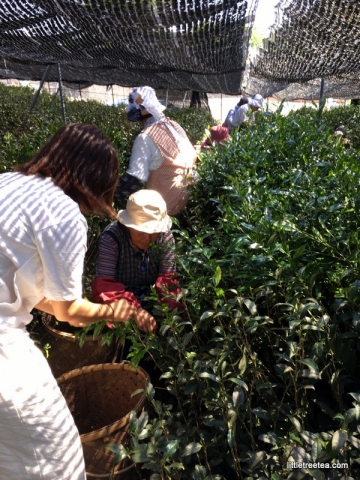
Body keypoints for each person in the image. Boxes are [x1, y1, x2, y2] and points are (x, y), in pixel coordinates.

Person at [0, 123, 156, 480]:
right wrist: (117, 312)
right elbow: (68, 311)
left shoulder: (7, 182)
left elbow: (29, 292)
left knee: (12, 456)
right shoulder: (63, 211)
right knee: (59, 461)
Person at [92, 189, 183, 315]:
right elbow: (105, 285)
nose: (147, 239)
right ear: (128, 226)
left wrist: (168, 314)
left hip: (154, 297)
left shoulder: (165, 238)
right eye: (141, 232)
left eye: (153, 233)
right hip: (120, 298)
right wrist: (135, 311)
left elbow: (167, 281)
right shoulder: (112, 239)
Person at [115, 86, 198, 215]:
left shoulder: (145, 137)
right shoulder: (174, 125)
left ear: (142, 110)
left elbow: (133, 181)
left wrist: (108, 192)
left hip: (168, 208)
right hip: (191, 198)